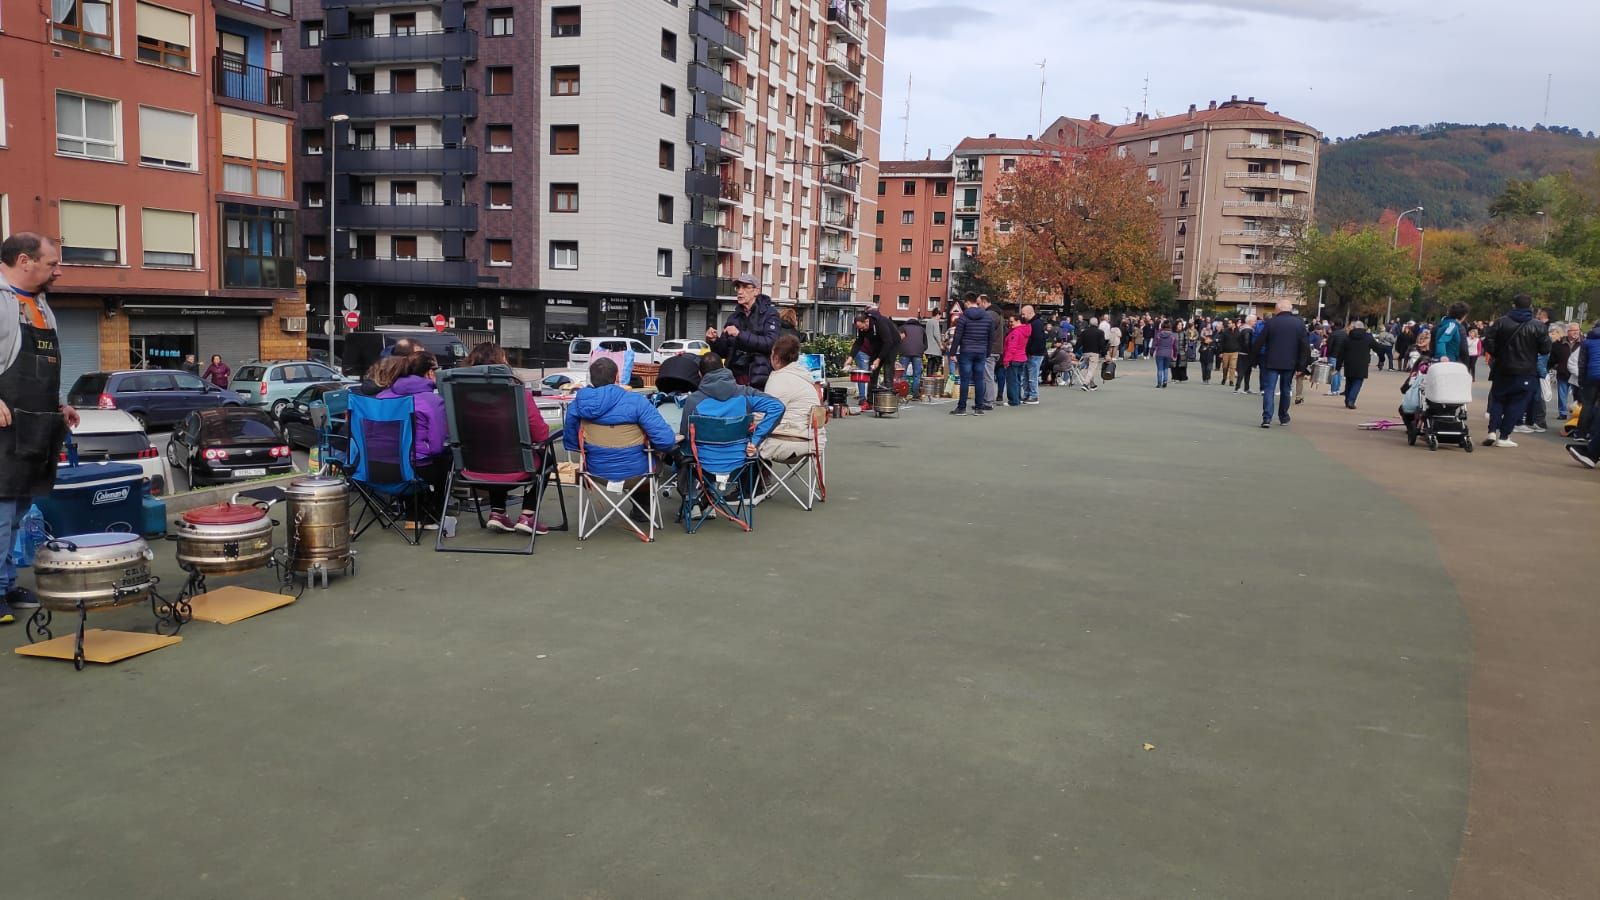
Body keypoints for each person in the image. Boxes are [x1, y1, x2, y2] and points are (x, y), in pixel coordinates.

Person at [0, 233, 80, 623]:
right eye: (51, 264)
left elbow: (47, 367)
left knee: (17, 510)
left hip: (37, 424)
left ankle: (4, 582)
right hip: (4, 425)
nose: (58, 271)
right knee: (0, 509)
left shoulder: (41, 306)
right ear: (23, 260)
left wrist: (59, 403)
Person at [563, 356, 678, 520]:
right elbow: (666, 441)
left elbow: (572, 444)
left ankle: (641, 509)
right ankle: (642, 509)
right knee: (654, 455)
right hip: (637, 471)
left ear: (591, 379)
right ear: (617, 377)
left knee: (643, 457)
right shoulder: (637, 402)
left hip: (596, 471)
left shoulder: (577, 405)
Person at [462, 342, 555, 535]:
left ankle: (497, 512)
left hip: (471, 469)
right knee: (546, 458)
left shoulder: (460, 396)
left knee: (493, 450)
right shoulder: (519, 394)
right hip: (514, 469)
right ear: (501, 363)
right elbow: (540, 434)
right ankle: (527, 515)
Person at [679, 352, 785, 475]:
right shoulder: (746, 394)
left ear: (700, 374)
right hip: (740, 462)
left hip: (704, 463)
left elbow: (685, 436)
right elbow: (777, 407)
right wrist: (756, 439)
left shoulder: (693, 401)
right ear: (724, 367)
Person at [377, 351, 450, 513]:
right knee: (445, 458)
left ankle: (410, 512)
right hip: (416, 469)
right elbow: (436, 447)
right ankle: (431, 514)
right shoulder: (432, 401)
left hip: (379, 468)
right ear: (430, 373)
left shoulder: (382, 396)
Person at [1481, 294, 1551, 448]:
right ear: (1530, 307)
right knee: (1517, 403)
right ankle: (1505, 435)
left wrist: (1497, 354)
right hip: (1526, 369)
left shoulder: (1501, 322)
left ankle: (1492, 430)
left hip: (1502, 367)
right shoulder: (1538, 326)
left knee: (1498, 399)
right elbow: (1546, 348)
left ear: (1514, 305)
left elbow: (1488, 341)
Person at [706, 272, 780, 388]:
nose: (740, 291)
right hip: (734, 378)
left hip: (759, 378)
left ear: (756, 291)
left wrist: (739, 334)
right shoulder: (733, 317)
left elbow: (771, 344)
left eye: (745, 287)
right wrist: (714, 340)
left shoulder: (769, 314)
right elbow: (723, 352)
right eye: (738, 287)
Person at [759, 335, 826, 463]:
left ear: (776, 358)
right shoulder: (806, 377)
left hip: (786, 442)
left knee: (744, 437)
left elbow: (767, 414)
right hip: (813, 443)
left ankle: (752, 481)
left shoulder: (779, 379)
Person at [1257, 299, 1308, 428]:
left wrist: (1254, 358)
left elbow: (1260, 341)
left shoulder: (1271, 322)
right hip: (1290, 362)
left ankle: (1267, 417)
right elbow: (1304, 346)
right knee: (1286, 389)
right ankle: (1283, 416)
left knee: (1269, 389)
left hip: (1272, 361)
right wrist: (1302, 365)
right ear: (1290, 309)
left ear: (1278, 309)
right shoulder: (1299, 324)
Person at [849, 307, 900, 410]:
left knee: (888, 371)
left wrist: (879, 359)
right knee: (872, 372)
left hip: (891, 344)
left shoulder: (880, 323)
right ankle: (869, 402)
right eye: (859, 329)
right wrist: (850, 357)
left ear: (866, 321)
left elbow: (888, 342)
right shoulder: (862, 328)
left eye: (862, 328)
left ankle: (887, 402)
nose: (861, 330)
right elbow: (859, 342)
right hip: (877, 346)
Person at [949, 302, 995, 415]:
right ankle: (979, 408)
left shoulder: (964, 317)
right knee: (979, 379)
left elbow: (957, 336)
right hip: (981, 351)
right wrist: (988, 352)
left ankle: (961, 408)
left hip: (966, 351)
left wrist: (952, 352)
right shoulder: (988, 318)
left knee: (965, 379)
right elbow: (991, 338)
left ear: (967, 303)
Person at [1567, 320, 1600, 467]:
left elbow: (1582, 363)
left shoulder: (1588, 342)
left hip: (1591, 377)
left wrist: (1581, 382)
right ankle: (1593, 437)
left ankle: (1581, 434)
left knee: (1587, 405)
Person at [1340, 320, 1375, 409]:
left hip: (1349, 363)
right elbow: (1377, 347)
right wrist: (1381, 357)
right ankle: (1351, 400)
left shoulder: (1347, 338)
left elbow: (1341, 352)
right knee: (1357, 383)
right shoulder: (1368, 338)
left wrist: (1338, 364)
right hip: (1362, 364)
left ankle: (1347, 399)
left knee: (1349, 382)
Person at [976, 294, 1002, 407]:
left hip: (990, 349)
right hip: (996, 348)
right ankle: (986, 400)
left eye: (978, 304)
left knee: (987, 376)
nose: (977, 307)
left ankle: (988, 401)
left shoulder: (990, 315)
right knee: (988, 375)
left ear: (984, 302)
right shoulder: (997, 314)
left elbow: (984, 330)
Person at [1552, 321, 1581, 422]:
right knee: (1562, 394)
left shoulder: (1583, 343)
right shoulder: (1559, 343)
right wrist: (1556, 366)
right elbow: (1553, 356)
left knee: (1577, 395)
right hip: (1563, 372)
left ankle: (1576, 413)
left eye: (1577, 330)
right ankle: (1563, 413)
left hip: (1576, 374)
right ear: (1568, 331)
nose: (1576, 332)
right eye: (1573, 330)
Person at [1001, 312, 1029, 407]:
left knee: (1011, 380)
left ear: (1018, 321)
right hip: (1022, 357)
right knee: (1017, 380)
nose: (1010, 323)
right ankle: (1017, 398)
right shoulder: (1024, 331)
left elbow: (1011, 348)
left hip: (1014, 358)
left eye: (1012, 321)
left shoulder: (1015, 332)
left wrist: (1006, 360)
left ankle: (1013, 400)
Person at [897, 317, 927, 401]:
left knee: (903, 374)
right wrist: (921, 350)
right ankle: (915, 394)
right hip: (917, 353)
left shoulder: (902, 327)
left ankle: (902, 394)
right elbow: (925, 344)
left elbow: (898, 339)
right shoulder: (921, 329)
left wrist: (900, 349)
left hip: (904, 352)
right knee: (916, 374)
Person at [1021, 304, 1046, 404]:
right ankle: (1028, 394)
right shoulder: (1035, 323)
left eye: (1024, 314)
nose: (1022, 316)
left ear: (1030, 313)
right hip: (1032, 353)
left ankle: (1033, 395)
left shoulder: (1036, 324)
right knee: (1027, 376)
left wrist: (1030, 351)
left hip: (1034, 354)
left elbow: (1038, 340)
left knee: (1032, 376)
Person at [1077, 314, 1107, 391]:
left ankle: (1092, 385)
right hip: (1095, 352)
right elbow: (1102, 344)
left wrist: (1074, 351)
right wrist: (1104, 354)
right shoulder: (1100, 332)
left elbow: (1079, 343)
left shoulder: (1084, 332)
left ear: (1089, 323)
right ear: (1097, 324)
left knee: (1090, 369)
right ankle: (1085, 384)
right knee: (1091, 369)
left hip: (1085, 352)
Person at [1236, 314, 1258, 394]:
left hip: (1244, 352)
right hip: (1245, 353)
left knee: (1248, 371)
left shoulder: (1245, 329)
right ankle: (1238, 387)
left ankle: (1246, 387)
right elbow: (1247, 342)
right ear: (1250, 321)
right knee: (1242, 371)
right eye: (1254, 321)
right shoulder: (1247, 330)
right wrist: (1251, 351)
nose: (1255, 323)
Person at [1152, 319, 1177, 388]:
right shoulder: (1173, 335)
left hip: (1159, 352)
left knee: (1160, 369)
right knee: (1166, 368)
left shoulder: (1159, 334)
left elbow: (1155, 344)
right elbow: (1175, 346)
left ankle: (1159, 383)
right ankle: (1165, 381)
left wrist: (1152, 351)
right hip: (1168, 353)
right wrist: (1175, 354)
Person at [1325, 321, 1347, 396]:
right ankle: (1337, 389)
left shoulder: (1333, 334)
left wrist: (1328, 354)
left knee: (1333, 373)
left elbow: (1329, 345)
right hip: (1342, 355)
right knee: (1338, 372)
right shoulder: (1345, 334)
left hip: (1333, 355)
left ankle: (1333, 390)